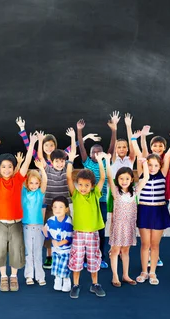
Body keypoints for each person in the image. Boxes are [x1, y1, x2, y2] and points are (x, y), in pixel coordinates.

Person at [0, 133, 34, 292]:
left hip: (16, 222)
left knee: (16, 250)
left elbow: (26, 163)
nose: (6, 169)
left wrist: (31, 143)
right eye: (3, 167)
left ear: (14, 168)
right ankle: (3, 277)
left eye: (9, 167)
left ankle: (13, 276)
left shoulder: (18, 179)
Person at [76, 112, 119, 269]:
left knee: (100, 230)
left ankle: (99, 256)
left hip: (100, 201)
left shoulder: (106, 162)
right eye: (94, 151)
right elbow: (81, 146)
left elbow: (112, 147)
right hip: (87, 202)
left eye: (99, 151)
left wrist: (114, 130)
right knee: (87, 230)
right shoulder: (87, 161)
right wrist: (79, 130)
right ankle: (86, 257)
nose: (96, 153)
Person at [135, 134, 170, 285]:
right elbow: (139, 154)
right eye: (149, 165)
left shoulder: (163, 173)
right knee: (145, 244)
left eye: (155, 165)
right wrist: (135, 140)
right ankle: (143, 271)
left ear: (160, 166)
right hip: (145, 211)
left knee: (155, 245)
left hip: (159, 211)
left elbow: (168, 156)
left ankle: (152, 272)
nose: (152, 168)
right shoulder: (142, 175)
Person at [66, 148, 107, 299]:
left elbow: (102, 178)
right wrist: (70, 160)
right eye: (81, 185)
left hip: (92, 234)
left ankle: (95, 284)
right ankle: (75, 284)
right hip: (78, 234)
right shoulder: (75, 194)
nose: (83, 188)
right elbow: (69, 178)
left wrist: (102, 161)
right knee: (76, 259)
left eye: (86, 185)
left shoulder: (95, 194)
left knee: (93, 258)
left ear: (92, 186)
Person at [106, 154, 149, 287]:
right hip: (118, 226)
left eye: (127, 178)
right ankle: (115, 276)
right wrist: (108, 161)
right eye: (121, 178)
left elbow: (146, 177)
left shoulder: (134, 191)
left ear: (131, 180)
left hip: (129, 226)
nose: (124, 181)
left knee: (125, 251)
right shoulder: (115, 191)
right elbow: (109, 176)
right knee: (115, 251)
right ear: (117, 179)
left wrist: (144, 163)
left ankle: (125, 275)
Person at [35, 130, 71, 271]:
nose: (60, 163)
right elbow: (40, 156)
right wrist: (39, 141)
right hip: (50, 206)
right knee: (50, 232)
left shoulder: (66, 167)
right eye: (57, 161)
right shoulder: (48, 168)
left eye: (62, 161)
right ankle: (49, 256)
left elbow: (70, 157)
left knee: (65, 231)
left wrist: (74, 137)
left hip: (64, 208)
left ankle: (64, 254)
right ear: (52, 161)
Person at [22, 159, 48, 286]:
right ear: (27, 183)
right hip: (26, 226)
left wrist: (42, 169)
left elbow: (45, 182)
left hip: (38, 227)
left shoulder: (40, 193)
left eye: (36, 183)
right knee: (28, 252)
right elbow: (19, 177)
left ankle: (40, 276)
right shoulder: (24, 193)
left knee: (38, 252)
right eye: (31, 183)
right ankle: (29, 275)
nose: (33, 185)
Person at [43, 196, 73, 292]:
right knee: (56, 265)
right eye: (55, 207)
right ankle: (57, 280)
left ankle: (66, 281)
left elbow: (69, 238)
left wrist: (59, 243)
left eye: (61, 207)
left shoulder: (68, 222)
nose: (57, 209)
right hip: (55, 249)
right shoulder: (50, 220)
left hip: (66, 250)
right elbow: (46, 232)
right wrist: (48, 236)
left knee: (64, 266)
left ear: (66, 209)